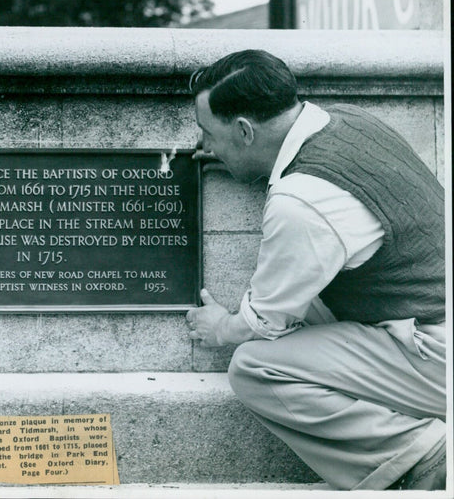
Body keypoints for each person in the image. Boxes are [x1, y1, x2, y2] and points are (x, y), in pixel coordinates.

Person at [186, 50, 446, 491]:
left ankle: (425, 455)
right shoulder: (351, 122)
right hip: (427, 320)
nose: (203, 147)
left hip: (437, 354)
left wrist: (220, 328)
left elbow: (263, 322)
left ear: (246, 131)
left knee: (254, 366)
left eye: (208, 134)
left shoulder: (301, 201)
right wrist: (236, 158)